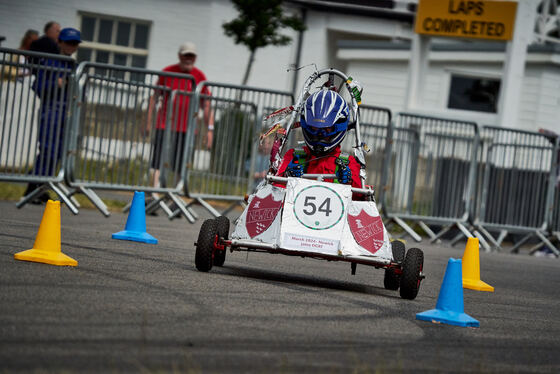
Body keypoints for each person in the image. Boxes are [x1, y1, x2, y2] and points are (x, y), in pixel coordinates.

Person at [22, 27, 81, 203]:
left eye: (75, 43)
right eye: (68, 42)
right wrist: (57, 84)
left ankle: (40, 188)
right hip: (51, 111)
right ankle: (34, 189)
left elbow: (80, 94)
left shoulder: (76, 67)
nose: (71, 46)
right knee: (47, 150)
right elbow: (38, 87)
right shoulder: (49, 62)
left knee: (58, 154)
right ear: (60, 42)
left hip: (68, 114)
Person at [147, 41, 214, 189]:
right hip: (165, 124)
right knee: (158, 161)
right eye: (185, 56)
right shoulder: (168, 71)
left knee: (181, 164)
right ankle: (155, 193)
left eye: (191, 56)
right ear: (180, 56)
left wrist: (210, 129)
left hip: (187, 129)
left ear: (195, 58)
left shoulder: (199, 76)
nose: (188, 59)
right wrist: (147, 121)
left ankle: (174, 197)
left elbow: (207, 104)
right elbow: (154, 96)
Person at [276, 90, 362, 189]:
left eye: (326, 129)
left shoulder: (349, 163)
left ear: (338, 127)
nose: (320, 134)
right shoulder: (294, 156)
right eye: (315, 128)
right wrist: (287, 176)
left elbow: (362, 199)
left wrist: (349, 182)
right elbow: (274, 191)